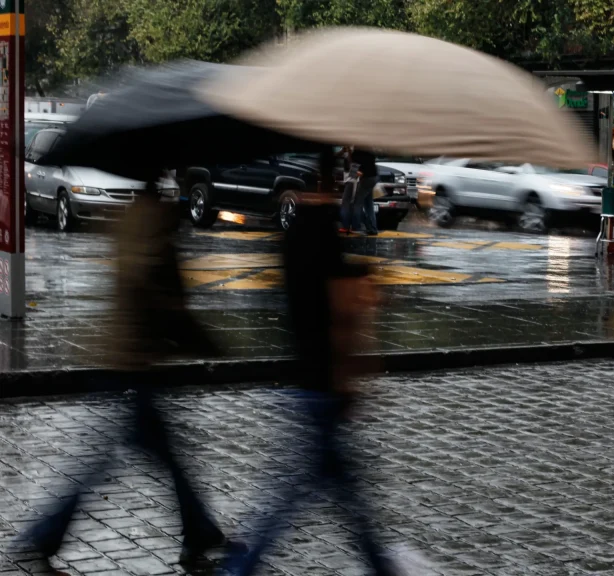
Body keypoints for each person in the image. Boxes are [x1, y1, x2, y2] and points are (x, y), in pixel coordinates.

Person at [19, 182, 239, 573]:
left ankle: (199, 528)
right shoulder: (151, 229)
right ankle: (46, 533)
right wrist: (203, 340)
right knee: (109, 462)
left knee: (161, 457)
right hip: (133, 364)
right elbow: (157, 295)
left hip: (128, 359)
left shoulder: (134, 221)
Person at [222, 148, 418, 576]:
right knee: (298, 495)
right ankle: (241, 567)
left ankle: (377, 564)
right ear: (333, 184)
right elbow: (337, 305)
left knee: (334, 493)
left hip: (304, 375)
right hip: (322, 382)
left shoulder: (293, 232)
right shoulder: (323, 231)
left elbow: (307, 291)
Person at [350, 147, 379, 236]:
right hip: (373, 176)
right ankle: (372, 228)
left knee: (357, 204)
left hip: (366, 178)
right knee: (368, 203)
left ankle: (356, 226)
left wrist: (349, 152)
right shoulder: (369, 147)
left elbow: (354, 162)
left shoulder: (358, 150)